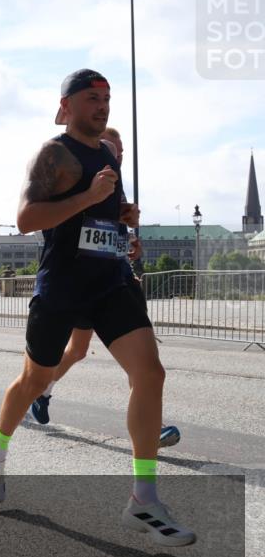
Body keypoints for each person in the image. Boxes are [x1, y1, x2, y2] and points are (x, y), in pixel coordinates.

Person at [0, 69, 194, 547]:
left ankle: (143, 498)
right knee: (34, 379)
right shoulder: (54, 153)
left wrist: (120, 219)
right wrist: (89, 197)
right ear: (67, 105)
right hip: (63, 287)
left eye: (107, 98)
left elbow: (98, 219)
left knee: (151, 373)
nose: (103, 105)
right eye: (92, 98)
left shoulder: (108, 154)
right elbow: (26, 219)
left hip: (111, 283)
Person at [27, 127, 181, 448]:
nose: (118, 155)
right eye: (114, 148)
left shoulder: (116, 184)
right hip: (79, 280)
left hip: (114, 280)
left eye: (121, 151)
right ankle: (40, 390)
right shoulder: (81, 174)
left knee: (139, 361)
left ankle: (152, 425)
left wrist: (131, 242)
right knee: (78, 350)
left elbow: (111, 233)